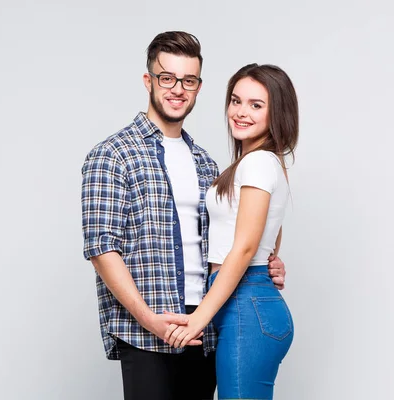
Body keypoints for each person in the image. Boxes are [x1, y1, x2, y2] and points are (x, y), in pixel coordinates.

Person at [80, 31, 288, 400]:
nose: (178, 89)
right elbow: (101, 248)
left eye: (188, 80)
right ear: (149, 81)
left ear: (198, 87)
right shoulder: (112, 155)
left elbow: (236, 234)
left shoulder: (207, 164)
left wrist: (267, 260)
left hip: (206, 324)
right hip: (148, 326)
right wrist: (148, 319)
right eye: (167, 78)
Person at [164, 63, 299, 399]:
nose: (241, 112)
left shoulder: (257, 163)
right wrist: (269, 258)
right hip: (249, 303)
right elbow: (267, 229)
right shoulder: (262, 162)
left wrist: (198, 320)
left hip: (245, 304)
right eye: (236, 101)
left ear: (277, 113)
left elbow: (242, 249)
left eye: (256, 105)